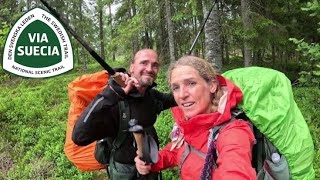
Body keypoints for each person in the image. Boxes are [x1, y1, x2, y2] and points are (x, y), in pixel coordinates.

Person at [135, 55, 256, 179]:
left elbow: (235, 171)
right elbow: (179, 151)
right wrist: (152, 161)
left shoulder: (233, 132)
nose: (182, 95)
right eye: (176, 87)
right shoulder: (189, 126)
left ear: (212, 85)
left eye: (191, 83)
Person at [72, 49, 176, 180]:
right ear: (132, 67)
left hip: (150, 166)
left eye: (155, 65)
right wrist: (111, 93)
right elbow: (79, 136)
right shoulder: (115, 101)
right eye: (144, 63)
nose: (150, 69)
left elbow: (176, 99)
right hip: (124, 171)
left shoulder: (152, 96)